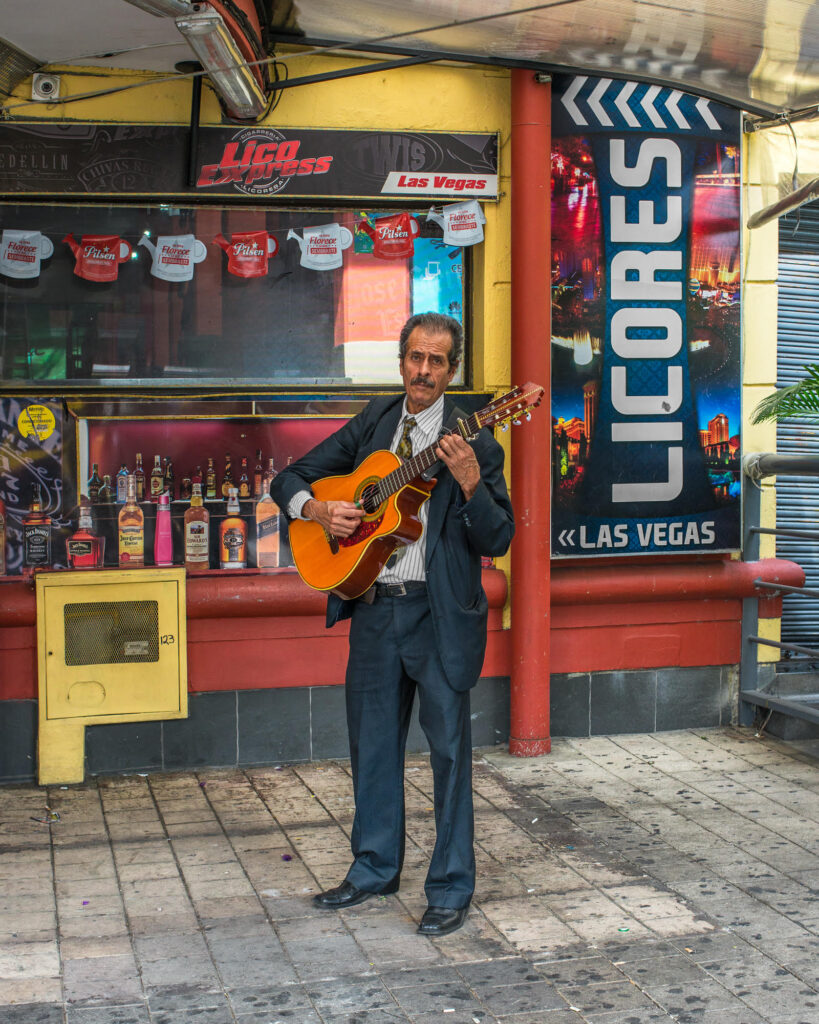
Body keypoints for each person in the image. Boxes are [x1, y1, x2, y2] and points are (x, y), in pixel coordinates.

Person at [271, 312, 514, 936]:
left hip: (437, 615)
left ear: (452, 371)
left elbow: (499, 535)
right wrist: (321, 510)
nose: (424, 371)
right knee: (372, 746)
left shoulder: (477, 440)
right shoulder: (377, 421)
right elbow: (288, 479)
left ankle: (451, 886)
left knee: (450, 754)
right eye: (415, 358)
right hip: (376, 608)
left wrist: (468, 483)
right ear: (402, 361)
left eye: (437, 361)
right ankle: (375, 867)